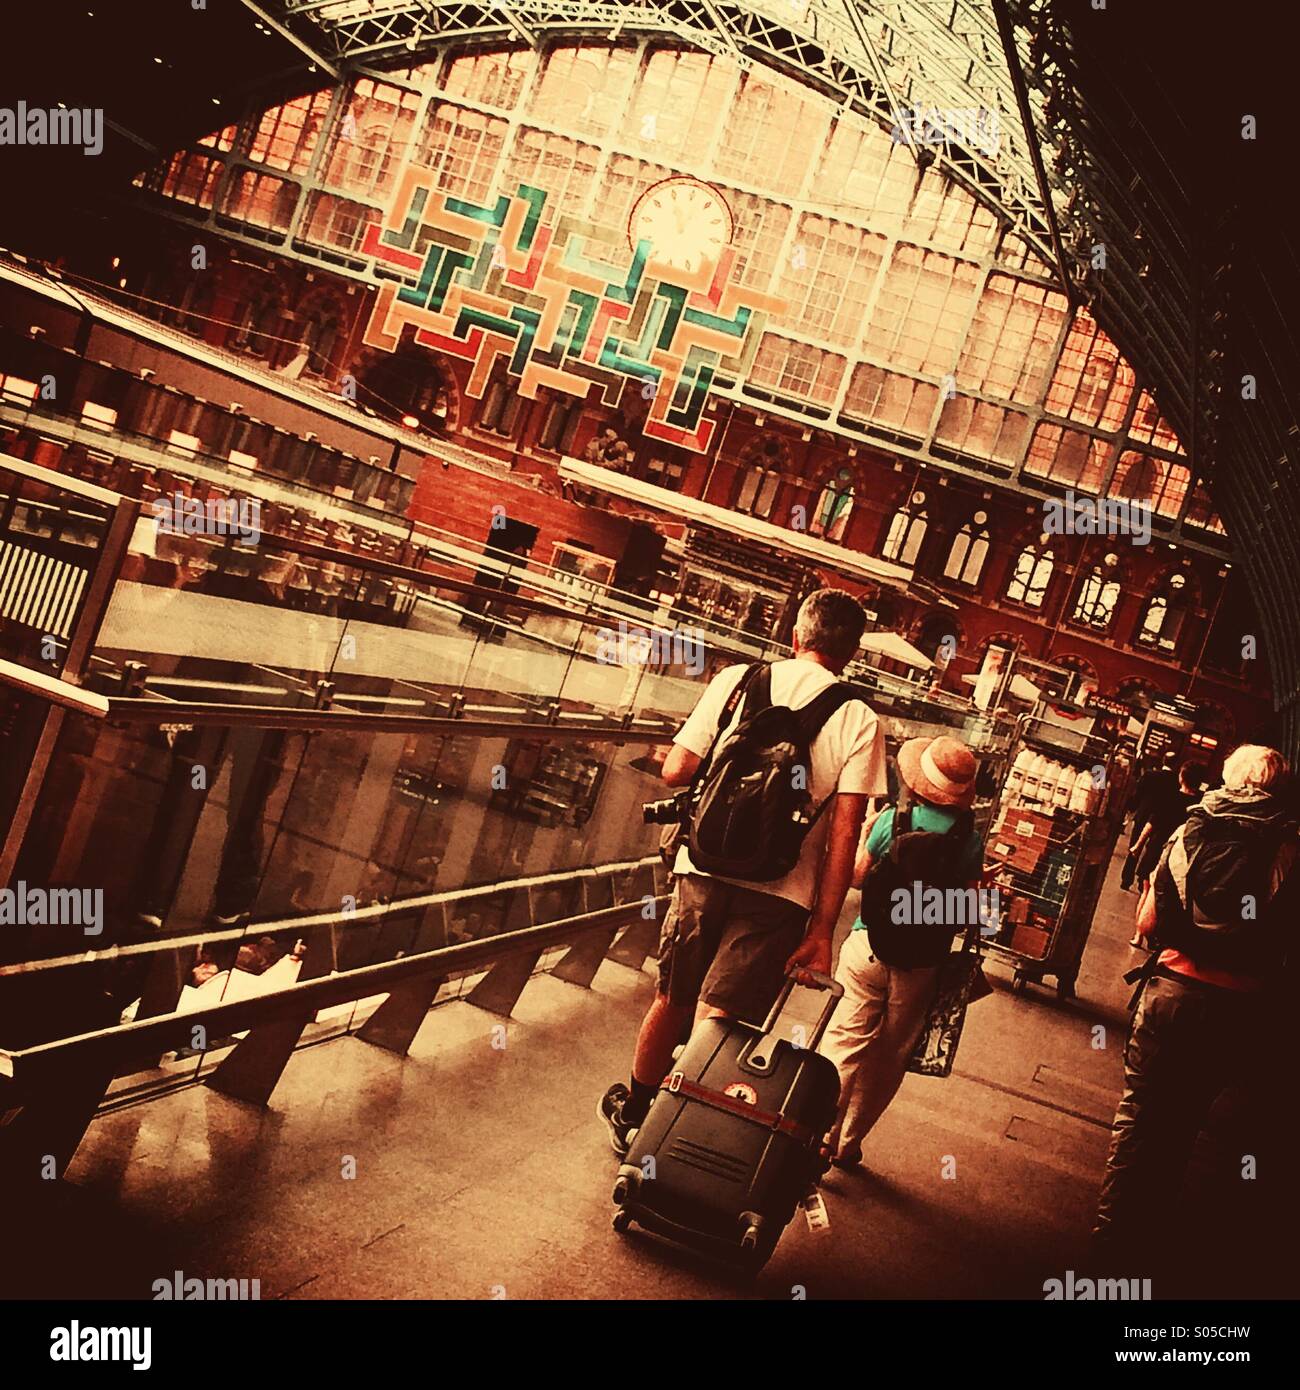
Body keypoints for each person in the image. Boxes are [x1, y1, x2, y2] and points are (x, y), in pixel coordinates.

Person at [597, 588, 888, 1155]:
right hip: (784, 891)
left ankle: (634, 1110)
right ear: (852, 654)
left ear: (797, 635)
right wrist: (822, 932)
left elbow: (679, 770)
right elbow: (845, 836)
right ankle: (671, 1135)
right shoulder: (859, 719)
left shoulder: (737, 680)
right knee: (721, 1016)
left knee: (673, 995)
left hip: (702, 867)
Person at [1093, 744, 1300, 1254]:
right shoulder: (1290, 849)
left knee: (1141, 1109)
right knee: (1187, 1117)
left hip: (1172, 990)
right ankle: (1151, 1225)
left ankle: (1112, 1227)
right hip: (1237, 1008)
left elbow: (1147, 924)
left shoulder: (1190, 830)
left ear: (1228, 778)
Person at [822, 735, 984, 1168]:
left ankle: (817, 1134)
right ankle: (848, 1143)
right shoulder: (969, 839)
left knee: (844, 1040)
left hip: (868, 944)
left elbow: (856, 877)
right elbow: (970, 912)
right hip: (922, 963)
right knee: (889, 1054)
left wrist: (869, 840)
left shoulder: (893, 819)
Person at [1129, 758, 1207, 888]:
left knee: (1146, 888)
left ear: (1181, 777)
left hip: (1158, 849)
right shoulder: (1202, 804)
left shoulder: (1169, 796)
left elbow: (1152, 823)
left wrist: (1138, 845)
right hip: (1181, 857)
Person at [1120, 753, 1179, 890]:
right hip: (1161, 819)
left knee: (1134, 847)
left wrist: (1131, 808)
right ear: (1175, 764)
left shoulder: (1149, 775)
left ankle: (1126, 879)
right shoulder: (1175, 781)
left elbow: (1138, 794)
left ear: (1163, 760)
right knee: (1152, 850)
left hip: (1143, 815)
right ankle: (1143, 880)